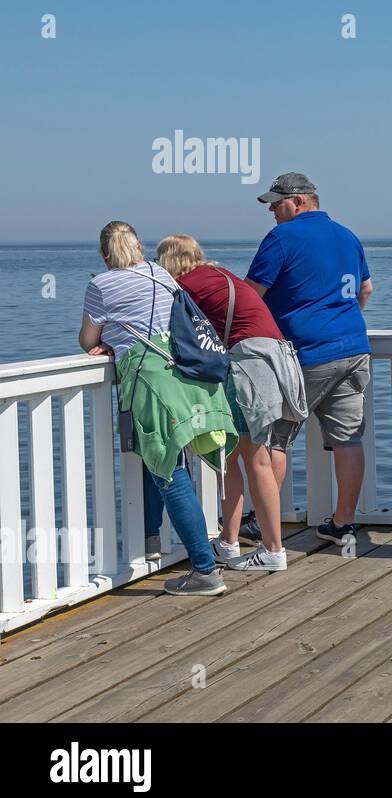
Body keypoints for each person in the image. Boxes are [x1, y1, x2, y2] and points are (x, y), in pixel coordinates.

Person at [79, 222, 235, 596]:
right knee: (166, 462)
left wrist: (110, 341)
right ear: (139, 248)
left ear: (104, 255)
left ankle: (205, 570)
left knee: (168, 470)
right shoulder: (160, 273)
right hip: (185, 376)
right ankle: (153, 539)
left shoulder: (100, 284)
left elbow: (86, 340)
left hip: (149, 382)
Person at [156, 234, 307, 572]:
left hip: (248, 363)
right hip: (277, 358)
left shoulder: (187, 286)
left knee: (257, 458)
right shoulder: (220, 275)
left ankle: (273, 550)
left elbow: (168, 330)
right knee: (234, 455)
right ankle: (228, 541)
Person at [245, 172, 374, 546]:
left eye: (276, 202)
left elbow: (252, 295)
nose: (271, 209)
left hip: (305, 353)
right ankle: (344, 523)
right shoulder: (347, 235)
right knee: (348, 439)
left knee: (276, 438)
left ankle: (260, 524)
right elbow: (365, 289)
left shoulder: (282, 238)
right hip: (353, 348)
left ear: (299, 201)